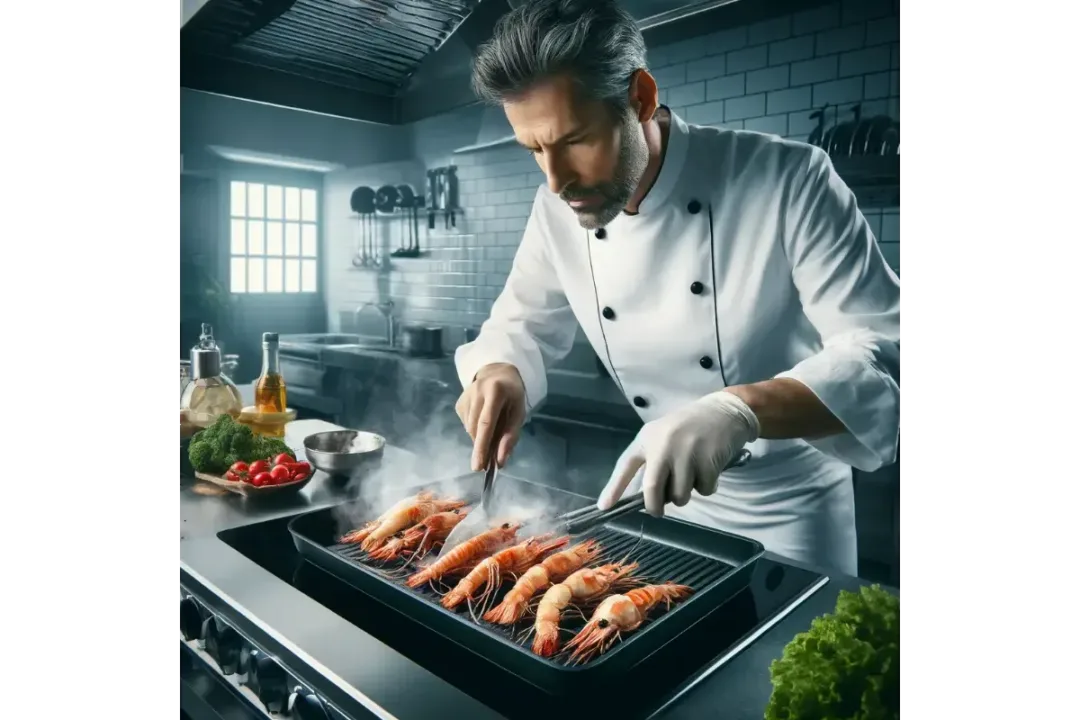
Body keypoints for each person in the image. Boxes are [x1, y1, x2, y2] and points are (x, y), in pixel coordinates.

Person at [452, 0, 902, 576]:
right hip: (665, 502)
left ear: (640, 97)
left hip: (791, 511)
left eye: (575, 140)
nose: (556, 179)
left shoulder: (789, 178)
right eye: (535, 150)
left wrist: (738, 409)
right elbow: (520, 326)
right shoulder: (555, 208)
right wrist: (500, 371)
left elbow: (881, 351)